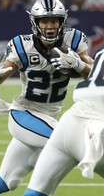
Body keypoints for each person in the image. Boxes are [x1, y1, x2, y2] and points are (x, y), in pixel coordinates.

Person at [0, 0, 93, 196]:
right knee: (68, 143)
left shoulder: (73, 40)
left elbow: (95, 74)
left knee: (7, 180)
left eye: (54, 21)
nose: (50, 26)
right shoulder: (23, 46)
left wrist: (78, 64)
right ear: (35, 22)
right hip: (24, 114)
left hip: (47, 117)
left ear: (62, 22)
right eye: (45, 21)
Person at [24, 49, 104, 196]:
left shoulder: (101, 53)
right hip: (98, 130)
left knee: (35, 192)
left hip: (69, 123)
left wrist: (79, 65)